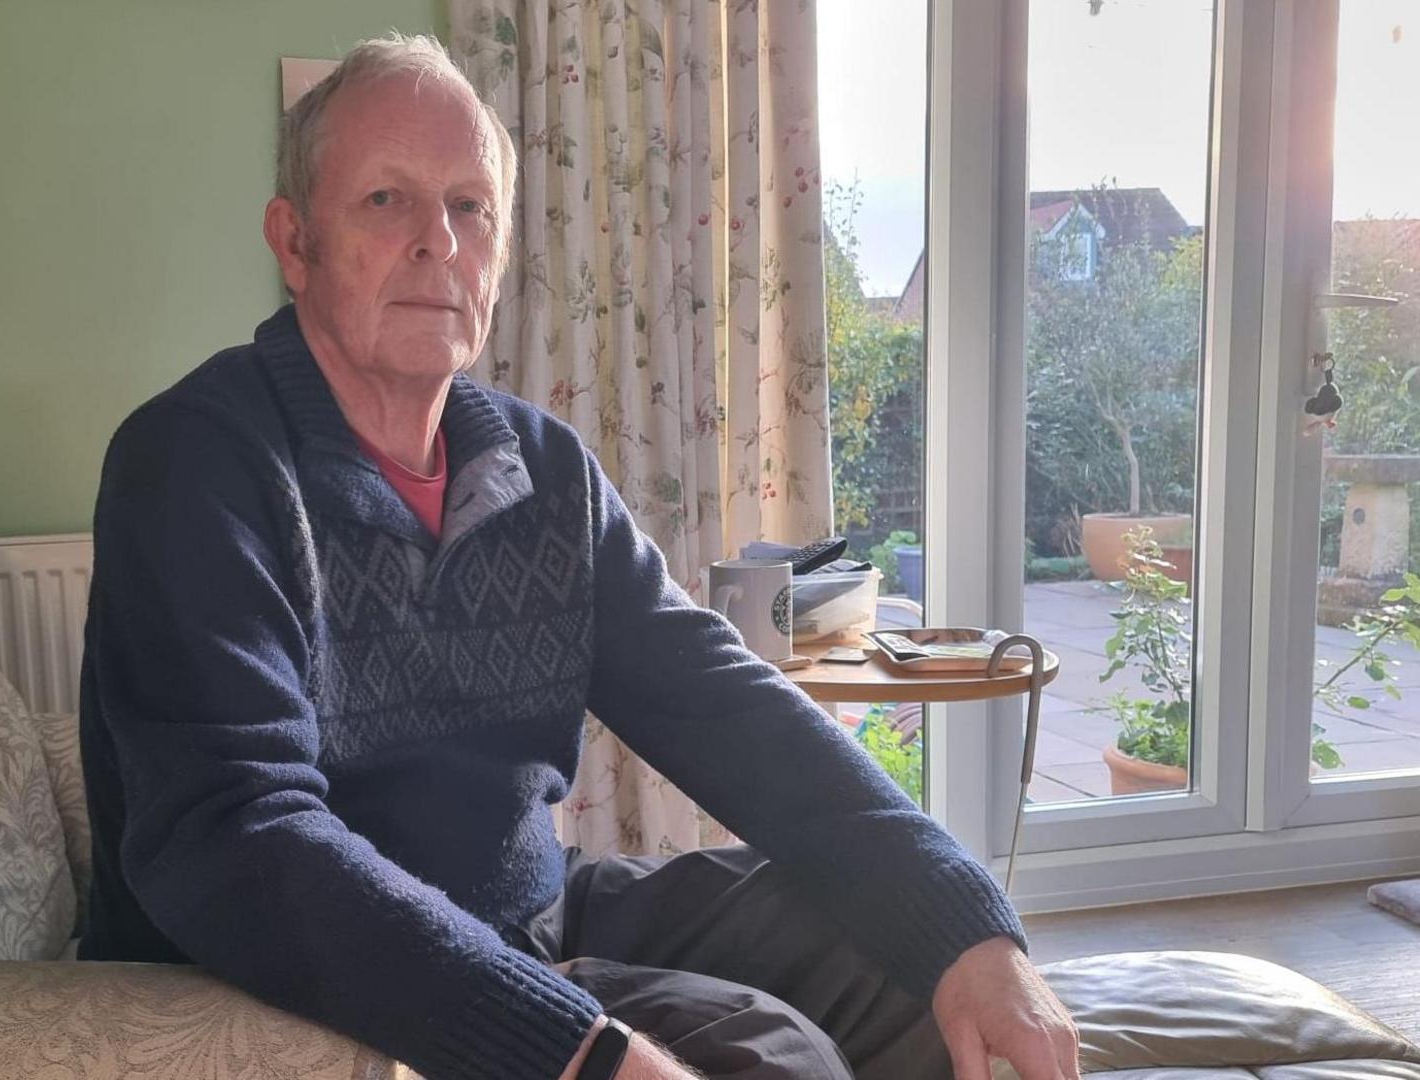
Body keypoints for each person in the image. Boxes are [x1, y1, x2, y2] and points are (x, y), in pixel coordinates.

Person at [76, 32, 1080, 1080]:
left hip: (531, 913)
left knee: (902, 949)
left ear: (502, 256)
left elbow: (722, 702)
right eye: (387, 201)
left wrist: (967, 923)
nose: (440, 243)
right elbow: (239, 838)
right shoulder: (193, 464)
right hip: (304, 983)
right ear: (295, 242)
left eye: (472, 208)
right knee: (777, 1057)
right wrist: (577, 1053)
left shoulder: (540, 466)